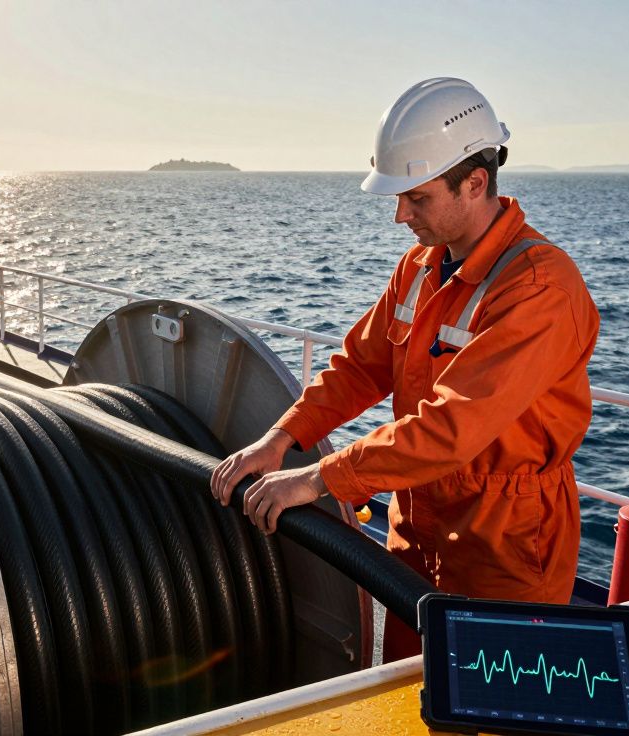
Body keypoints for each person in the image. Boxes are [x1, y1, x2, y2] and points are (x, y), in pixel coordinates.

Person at [210, 77, 600, 661]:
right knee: (403, 686)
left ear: (475, 183)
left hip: (504, 547)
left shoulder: (540, 289)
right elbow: (360, 367)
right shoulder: (420, 266)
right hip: (415, 530)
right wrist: (282, 438)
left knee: (488, 697)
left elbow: (450, 429)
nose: (399, 216)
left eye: (416, 198)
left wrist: (318, 479)